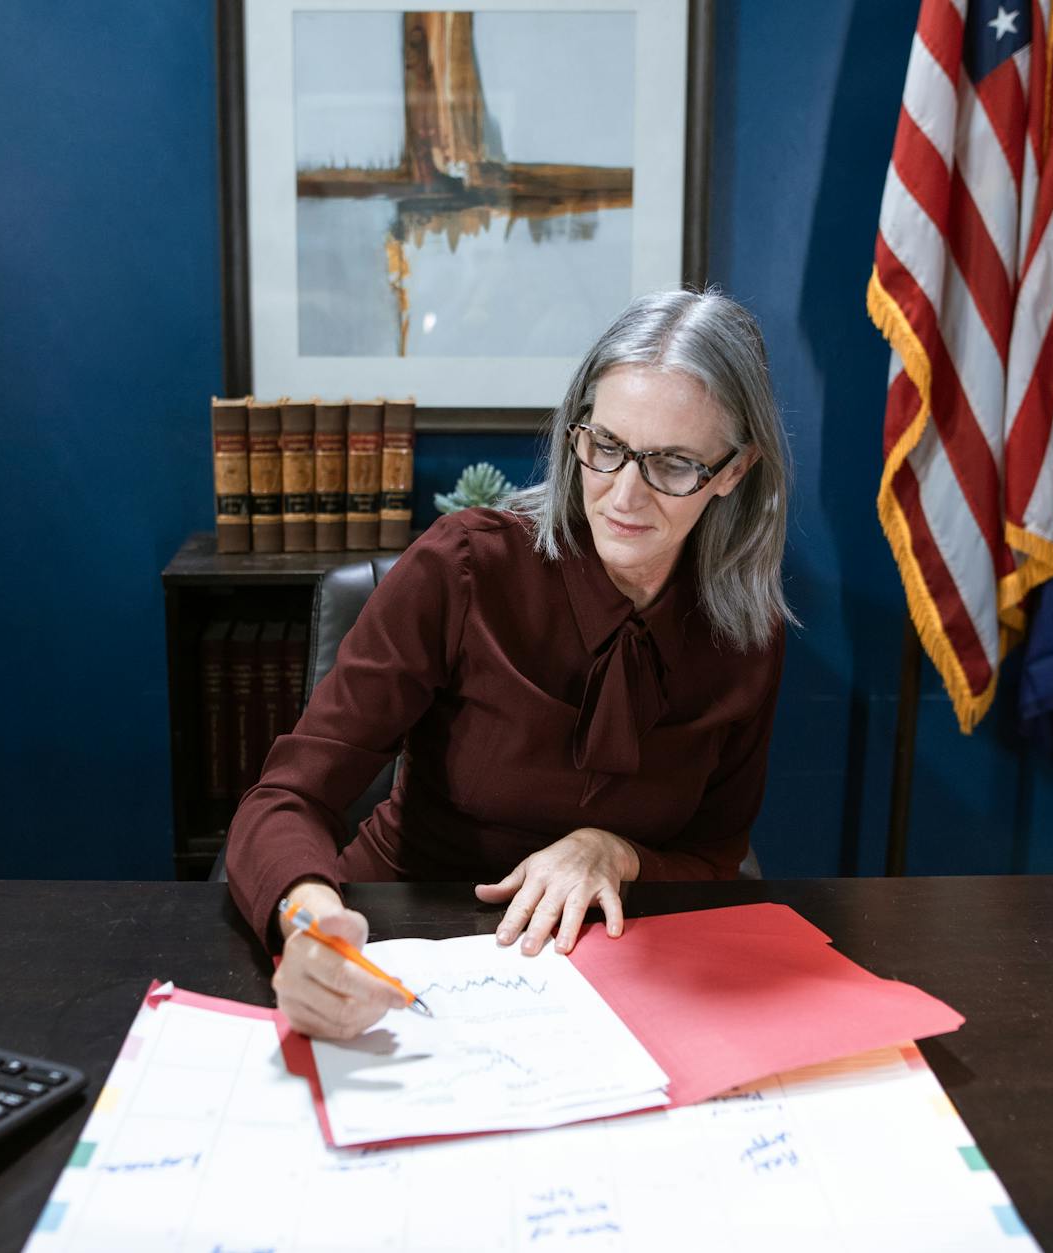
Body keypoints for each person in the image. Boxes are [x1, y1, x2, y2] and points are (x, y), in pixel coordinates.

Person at [227, 288, 796, 1039]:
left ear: (733, 471)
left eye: (675, 464)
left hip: (622, 980)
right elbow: (284, 798)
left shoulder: (744, 633)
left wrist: (614, 850)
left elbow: (714, 856)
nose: (624, 494)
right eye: (606, 447)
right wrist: (308, 920)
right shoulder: (464, 568)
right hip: (403, 947)